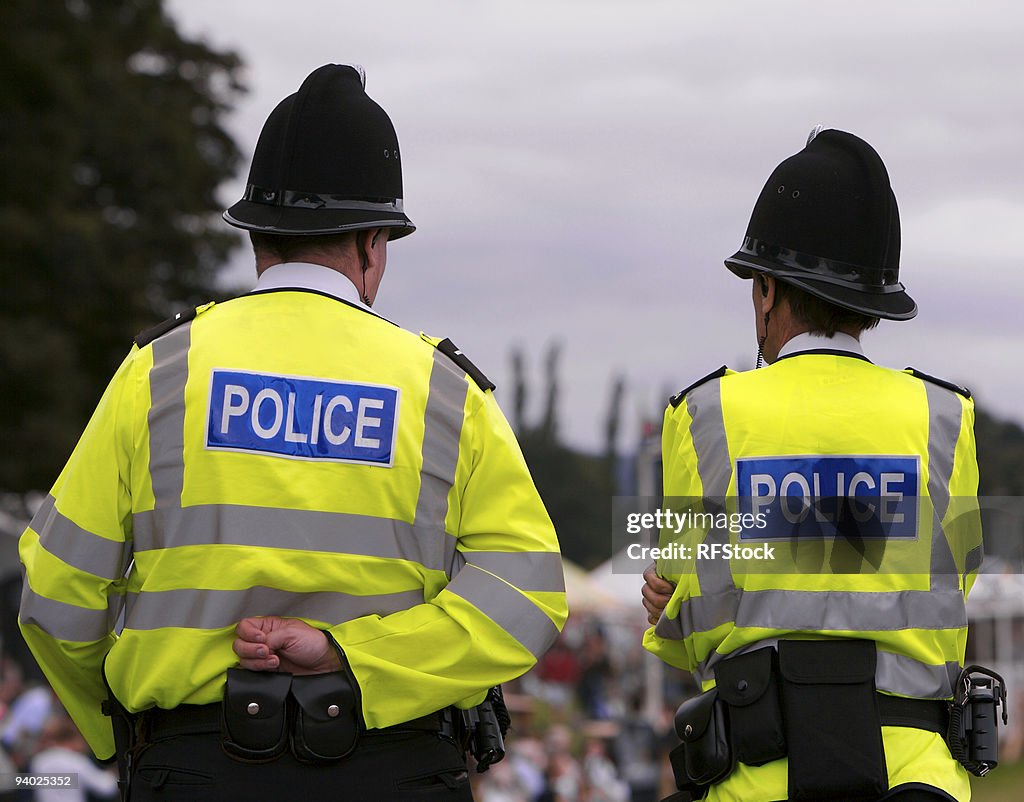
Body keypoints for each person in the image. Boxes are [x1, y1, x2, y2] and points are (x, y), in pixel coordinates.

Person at [18, 63, 567, 801]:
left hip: (191, 769)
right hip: (394, 771)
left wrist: (122, 732)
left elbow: (56, 595)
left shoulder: (160, 369)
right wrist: (355, 660)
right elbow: (527, 595)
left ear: (257, 239)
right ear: (375, 244)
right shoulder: (444, 391)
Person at [641, 129, 983, 801]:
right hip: (916, 779)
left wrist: (665, 607)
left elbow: (686, 623)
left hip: (757, 775)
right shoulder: (949, 418)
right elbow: (954, 588)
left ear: (766, 291)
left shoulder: (701, 416)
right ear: (870, 307)